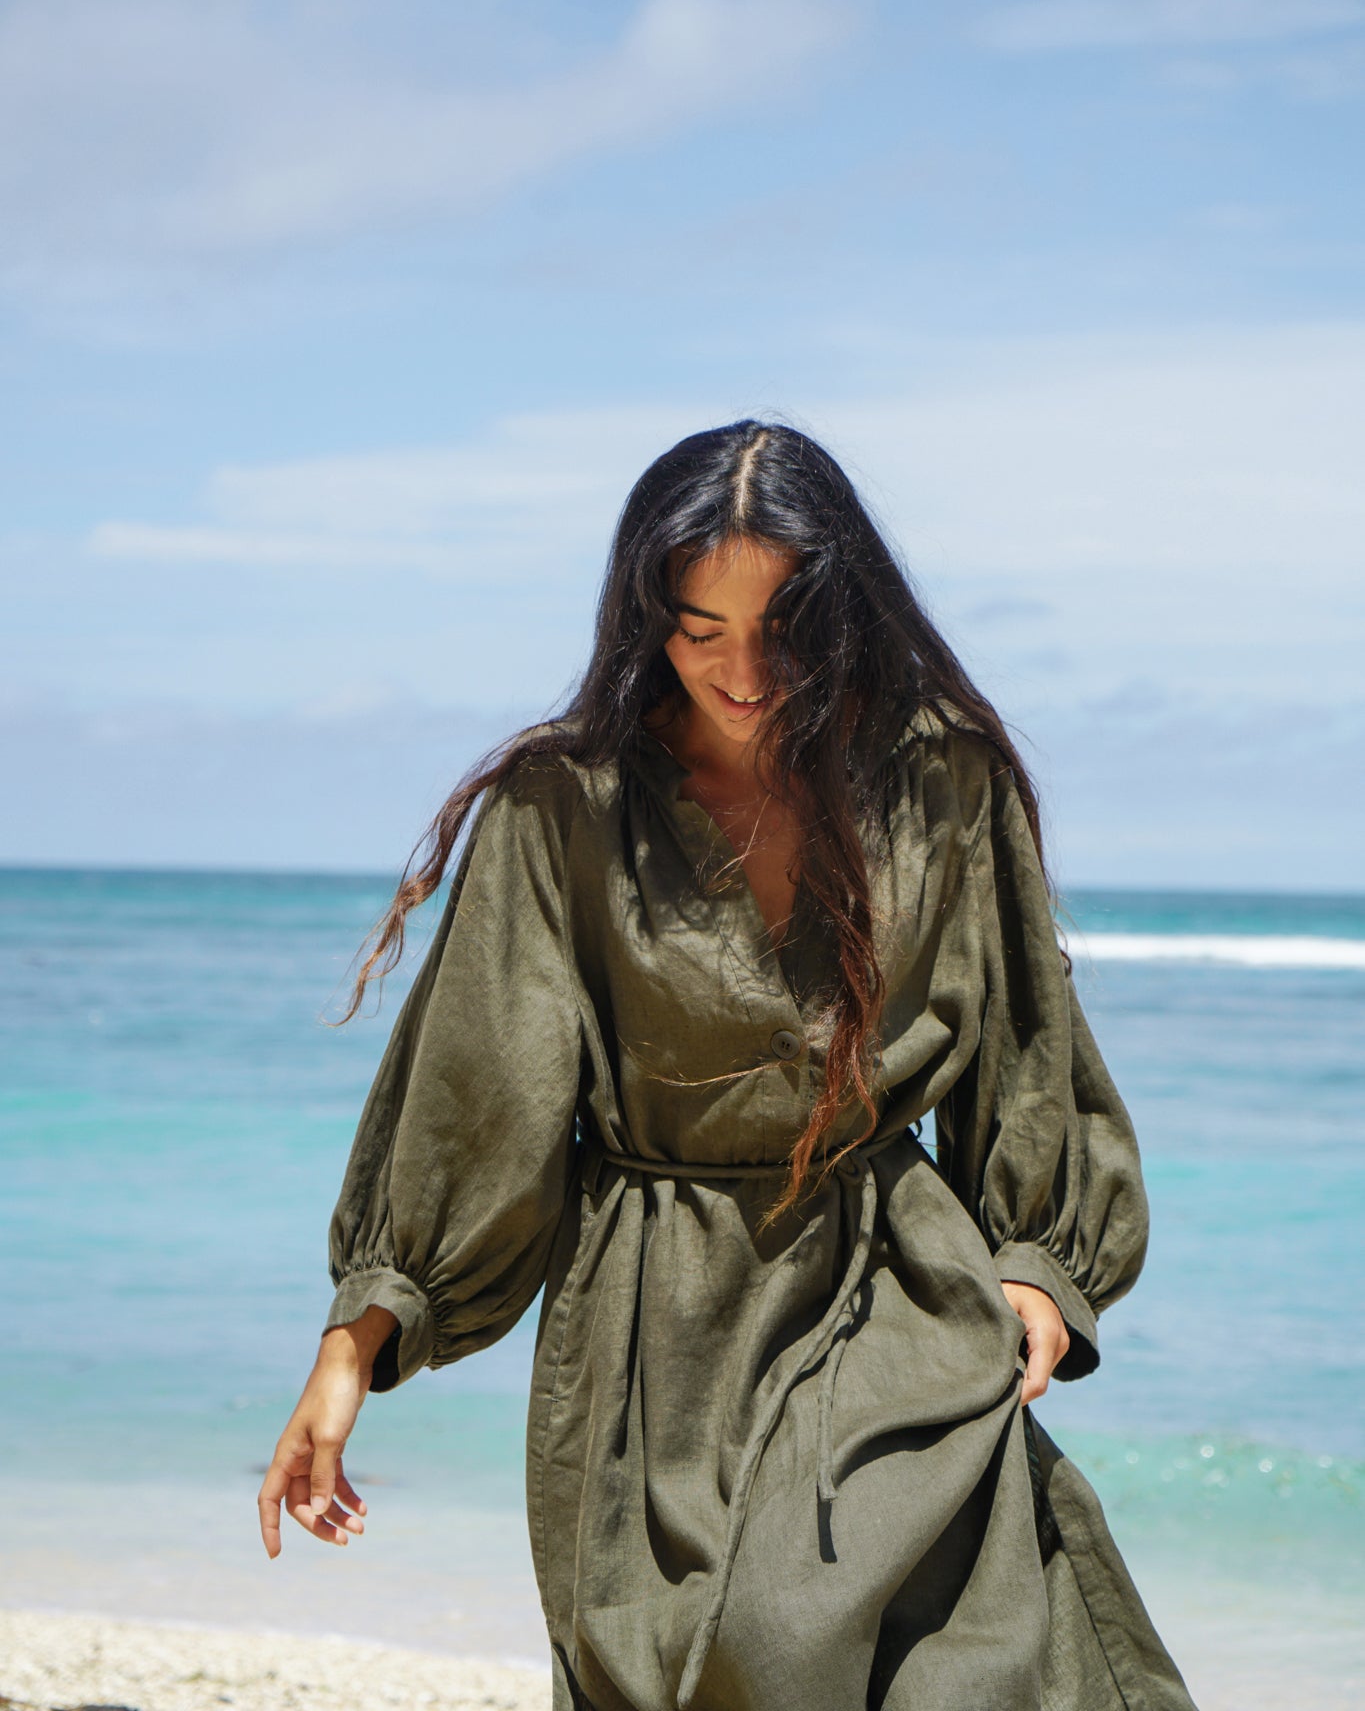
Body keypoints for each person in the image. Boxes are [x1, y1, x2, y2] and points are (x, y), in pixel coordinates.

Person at [258, 420, 1198, 1711]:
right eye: (700, 628)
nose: (742, 671)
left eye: (782, 628)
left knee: (944, 1668)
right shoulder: (566, 808)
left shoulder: (939, 781)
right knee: (706, 1670)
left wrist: (1038, 1264)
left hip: (891, 1292)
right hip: (660, 1337)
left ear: (847, 609)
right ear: (646, 617)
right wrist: (353, 1347)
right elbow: (477, 1085)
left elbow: (1026, 1040)